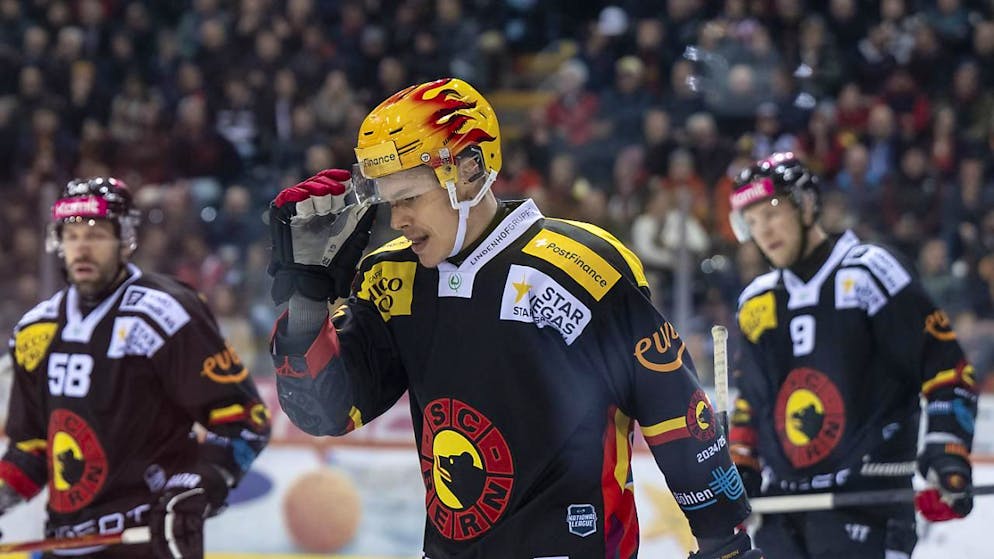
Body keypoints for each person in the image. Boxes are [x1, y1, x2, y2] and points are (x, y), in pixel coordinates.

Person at [267, 77, 764, 558]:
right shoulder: (391, 276)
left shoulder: (583, 265)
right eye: (390, 203)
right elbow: (324, 412)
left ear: (468, 169)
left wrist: (723, 538)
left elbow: (672, 406)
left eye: (410, 198)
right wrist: (307, 299)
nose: (397, 220)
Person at [0, 177, 271, 558]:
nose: (81, 248)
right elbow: (31, 449)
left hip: (152, 539)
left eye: (96, 234)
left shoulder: (166, 314)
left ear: (125, 238)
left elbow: (246, 420)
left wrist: (194, 486)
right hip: (63, 542)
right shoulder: (35, 331)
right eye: (71, 234)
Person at [726, 152, 978, 558]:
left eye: (771, 212)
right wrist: (739, 470)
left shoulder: (870, 273)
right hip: (782, 519)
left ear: (806, 204)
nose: (763, 230)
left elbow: (947, 370)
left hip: (869, 509)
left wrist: (947, 452)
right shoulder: (756, 302)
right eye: (751, 221)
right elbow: (751, 406)